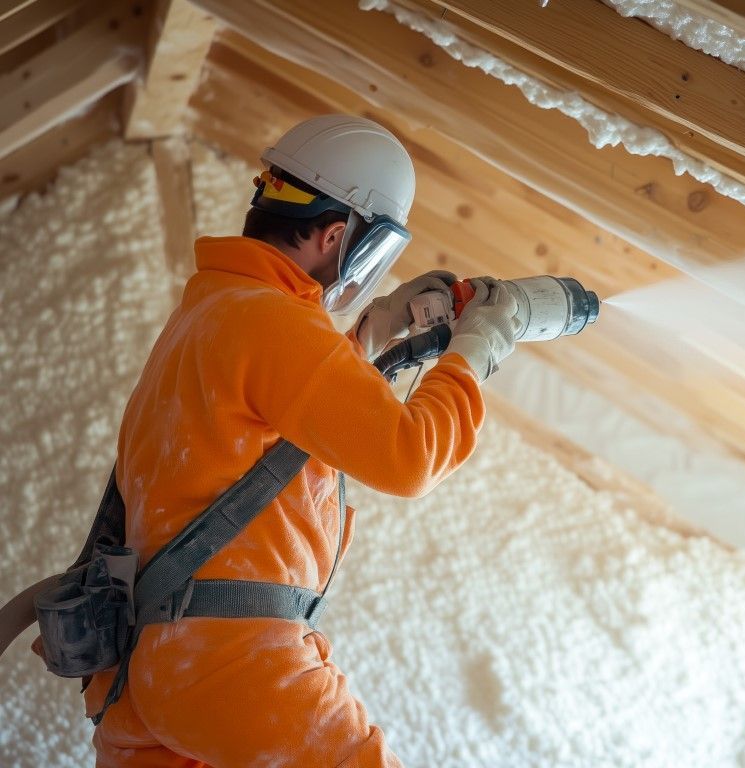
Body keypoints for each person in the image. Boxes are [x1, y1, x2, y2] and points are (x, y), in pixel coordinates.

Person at [80, 114, 519, 766]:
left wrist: (376, 329)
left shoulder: (211, 309)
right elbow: (410, 457)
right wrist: (474, 353)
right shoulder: (275, 322)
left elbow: (282, 418)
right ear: (336, 235)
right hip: (234, 662)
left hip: (149, 675)